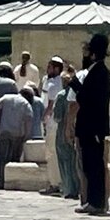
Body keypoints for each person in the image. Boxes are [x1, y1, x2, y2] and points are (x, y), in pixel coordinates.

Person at [73, 34, 110, 215]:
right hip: (91, 127)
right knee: (91, 166)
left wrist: (74, 83)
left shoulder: (99, 73)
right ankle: (93, 200)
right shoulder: (97, 72)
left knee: (95, 166)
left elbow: (86, 98)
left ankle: (97, 203)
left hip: (93, 128)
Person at [0, 86, 35, 189]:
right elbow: (29, 120)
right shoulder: (26, 104)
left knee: (3, 158)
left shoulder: (6, 98)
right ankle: (11, 182)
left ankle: (2, 181)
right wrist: (27, 136)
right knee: (14, 159)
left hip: (3, 132)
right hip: (18, 134)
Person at [53, 65, 80, 201]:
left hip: (63, 131)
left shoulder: (61, 96)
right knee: (75, 162)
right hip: (76, 130)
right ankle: (77, 188)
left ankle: (69, 189)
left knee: (64, 162)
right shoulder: (77, 94)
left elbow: (56, 116)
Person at [41, 57, 66, 195]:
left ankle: (55, 183)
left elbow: (50, 105)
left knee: (51, 154)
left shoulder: (53, 84)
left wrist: (43, 119)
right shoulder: (57, 82)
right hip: (57, 122)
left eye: (50, 67)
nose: (48, 69)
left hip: (52, 123)